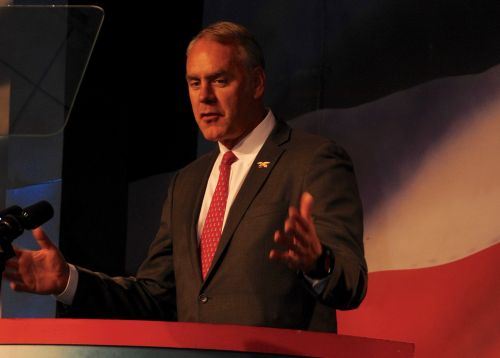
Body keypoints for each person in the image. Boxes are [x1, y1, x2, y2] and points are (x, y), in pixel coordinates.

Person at [3, 21, 367, 332]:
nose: (204, 97)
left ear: (257, 83)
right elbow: (154, 296)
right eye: (195, 83)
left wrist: (319, 264)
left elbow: (351, 282)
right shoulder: (188, 182)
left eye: (219, 80)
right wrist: (68, 281)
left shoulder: (313, 161)